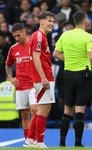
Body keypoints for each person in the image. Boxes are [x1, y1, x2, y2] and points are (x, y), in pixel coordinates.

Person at [53, 10, 92, 147]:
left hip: (68, 75)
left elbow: (56, 54)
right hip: (83, 75)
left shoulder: (65, 35)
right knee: (79, 110)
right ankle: (78, 144)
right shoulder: (88, 37)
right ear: (85, 21)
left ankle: (62, 143)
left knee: (67, 110)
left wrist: (70, 59)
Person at [25, 11, 55, 148]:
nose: (52, 24)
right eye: (49, 21)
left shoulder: (41, 36)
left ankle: (30, 140)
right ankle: (40, 142)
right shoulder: (38, 36)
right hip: (42, 76)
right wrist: (43, 77)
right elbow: (35, 58)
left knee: (42, 109)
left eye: (53, 22)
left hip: (44, 76)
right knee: (44, 110)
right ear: (41, 21)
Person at [5, 23, 38, 147]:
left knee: (35, 110)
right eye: (14, 37)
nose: (17, 38)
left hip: (34, 84)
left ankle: (32, 139)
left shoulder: (33, 46)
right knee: (24, 115)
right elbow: (8, 64)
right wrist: (10, 78)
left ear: (25, 32)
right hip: (20, 86)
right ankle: (27, 142)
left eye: (18, 35)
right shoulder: (13, 49)